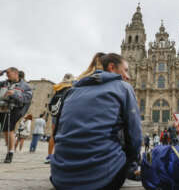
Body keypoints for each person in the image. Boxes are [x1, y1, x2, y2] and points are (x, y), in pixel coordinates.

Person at [50, 53, 142, 190]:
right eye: (126, 70)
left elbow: (56, 132)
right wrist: (133, 162)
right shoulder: (123, 88)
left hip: (59, 178)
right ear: (112, 67)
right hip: (102, 181)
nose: (128, 76)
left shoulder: (71, 91)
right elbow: (135, 138)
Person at [0, 67, 32, 163]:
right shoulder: (4, 83)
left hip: (13, 109)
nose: (7, 75)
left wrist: (14, 94)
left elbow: (27, 98)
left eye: (9, 73)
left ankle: (10, 152)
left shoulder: (25, 86)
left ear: (16, 73)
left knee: (8, 130)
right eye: (6, 74)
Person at [45, 73, 74, 164]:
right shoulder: (72, 87)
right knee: (65, 134)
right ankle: (61, 156)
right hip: (66, 113)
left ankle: (49, 156)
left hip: (56, 113)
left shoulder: (58, 87)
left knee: (53, 135)